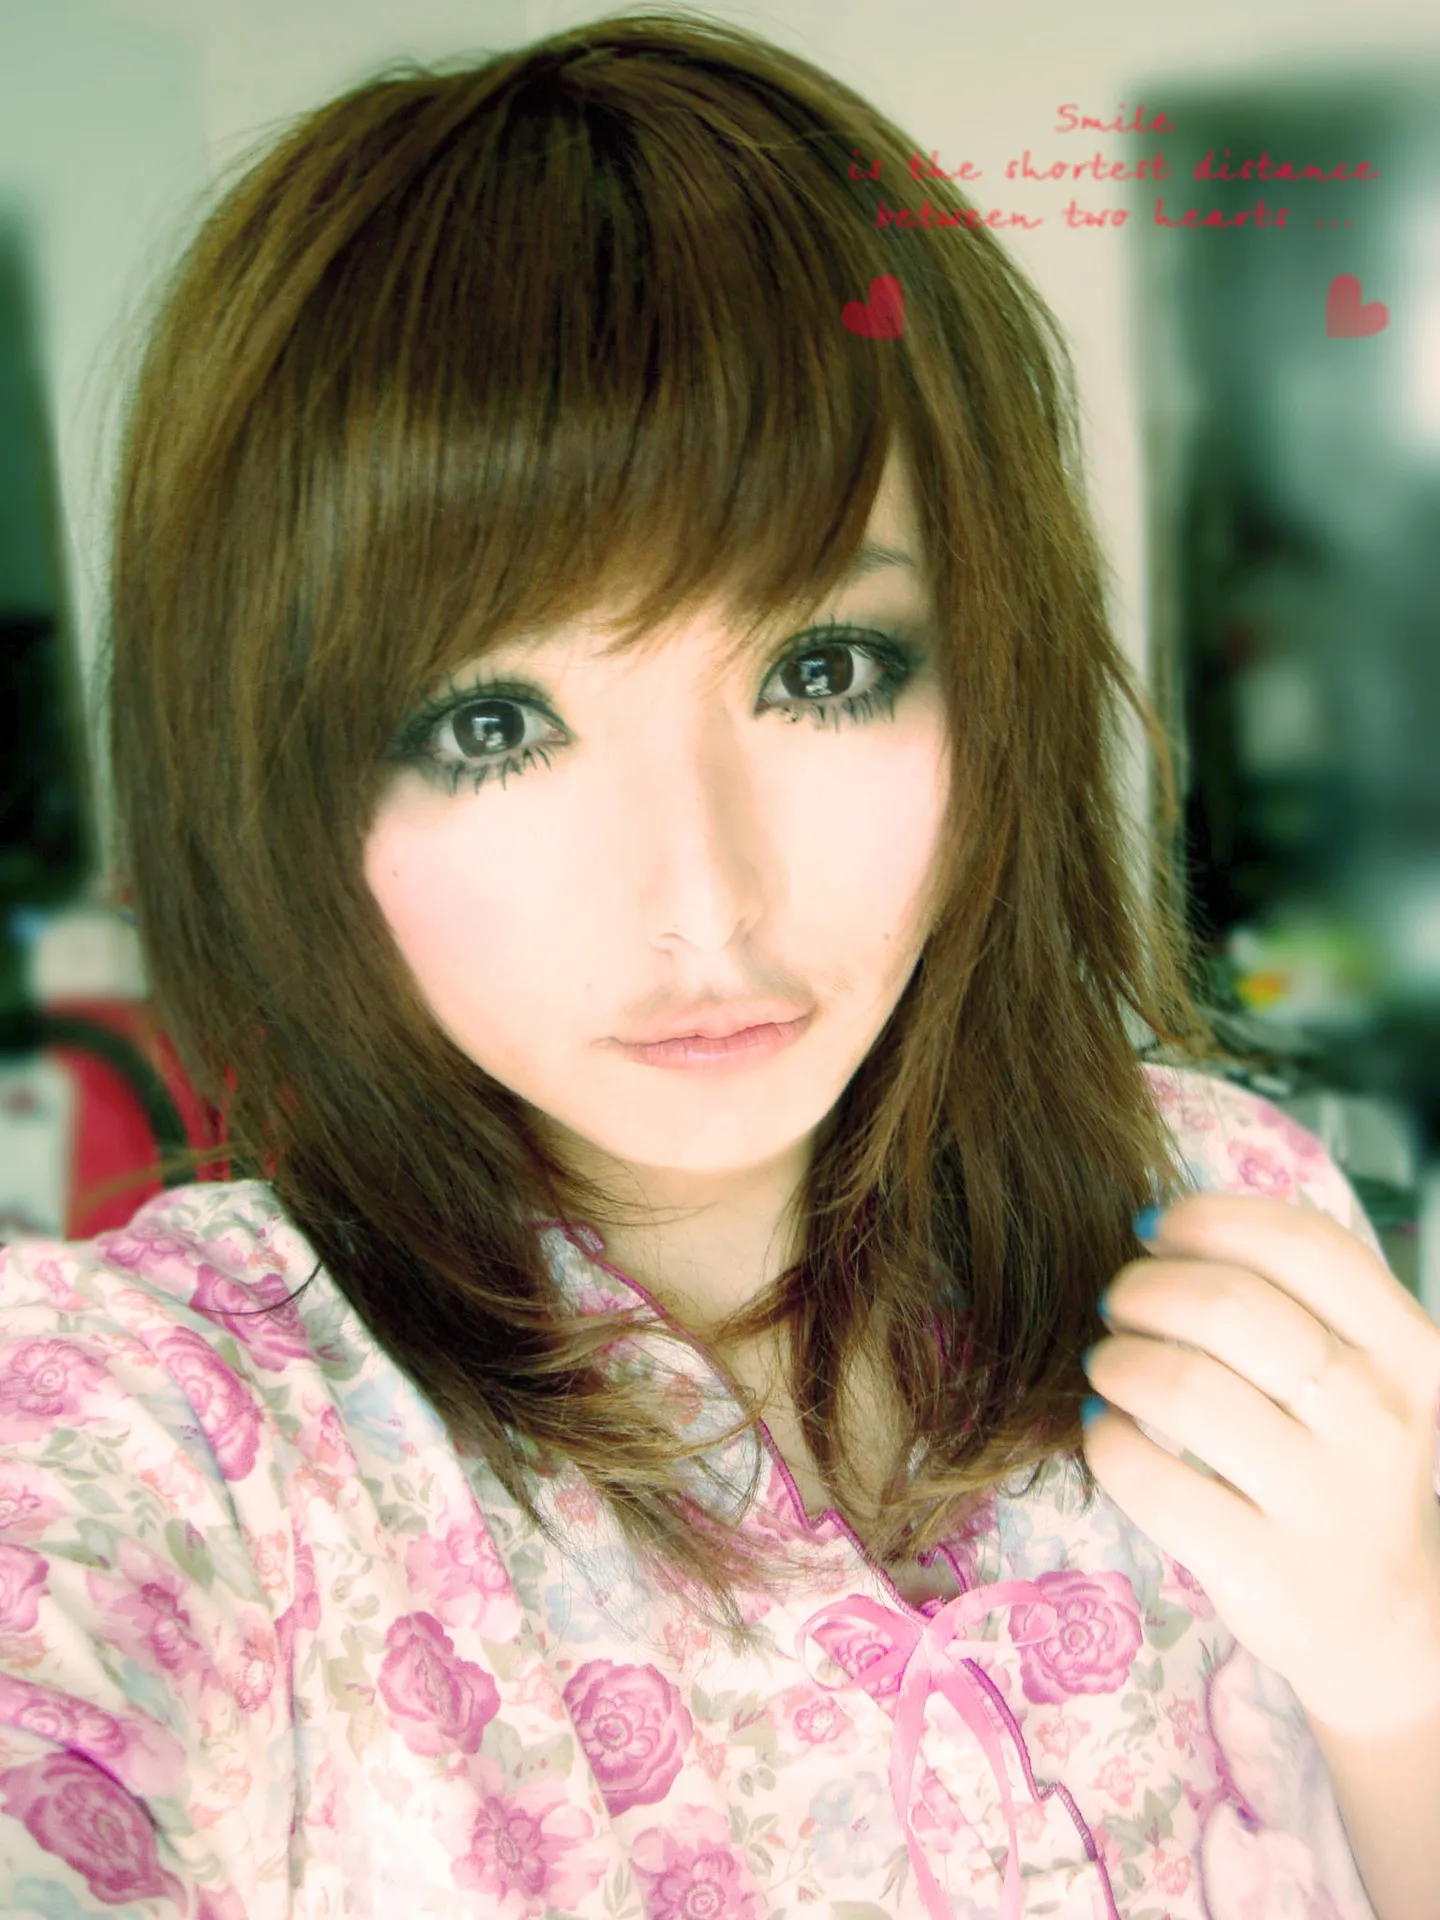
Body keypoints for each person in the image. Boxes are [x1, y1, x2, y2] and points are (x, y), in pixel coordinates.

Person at [1, 12, 1432, 1918]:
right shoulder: (187, 1442)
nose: (706, 900)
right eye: (493, 724)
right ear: (284, 778)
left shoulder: (1227, 1214)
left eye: (823, 670)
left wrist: (1398, 1664)